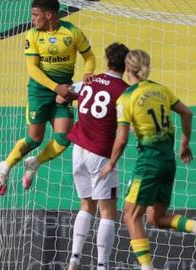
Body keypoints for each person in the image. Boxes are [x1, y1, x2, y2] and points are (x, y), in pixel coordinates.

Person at [99, 49, 196, 270]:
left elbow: (122, 138)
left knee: (130, 216)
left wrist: (111, 163)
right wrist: (184, 144)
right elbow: (187, 113)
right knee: (156, 218)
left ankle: (147, 267)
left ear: (127, 69)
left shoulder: (127, 98)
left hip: (148, 163)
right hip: (168, 163)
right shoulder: (161, 90)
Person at [0, 0, 96, 195]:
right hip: (40, 91)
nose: (32, 19)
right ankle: (5, 167)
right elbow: (32, 68)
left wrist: (87, 73)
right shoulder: (32, 35)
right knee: (34, 140)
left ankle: (35, 163)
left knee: (64, 139)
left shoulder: (72, 32)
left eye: (35, 15)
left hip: (64, 90)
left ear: (49, 14)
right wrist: (55, 87)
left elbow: (89, 56)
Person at [65, 42, 130, 270]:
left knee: (85, 205)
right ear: (127, 66)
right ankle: (102, 265)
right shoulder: (124, 91)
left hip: (78, 151)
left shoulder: (88, 81)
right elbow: (126, 128)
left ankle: (74, 258)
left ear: (106, 60)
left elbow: (63, 95)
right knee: (108, 212)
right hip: (101, 155)